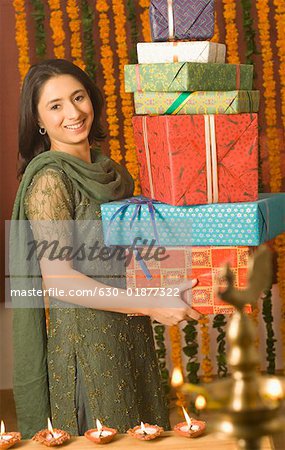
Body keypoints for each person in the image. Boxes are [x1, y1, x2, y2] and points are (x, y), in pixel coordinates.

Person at [9, 59, 200, 439]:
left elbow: (136, 255)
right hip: (88, 347)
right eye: (56, 105)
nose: (73, 112)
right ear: (39, 122)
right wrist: (152, 303)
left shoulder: (111, 172)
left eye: (78, 97)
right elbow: (60, 281)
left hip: (131, 333)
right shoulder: (50, 180)